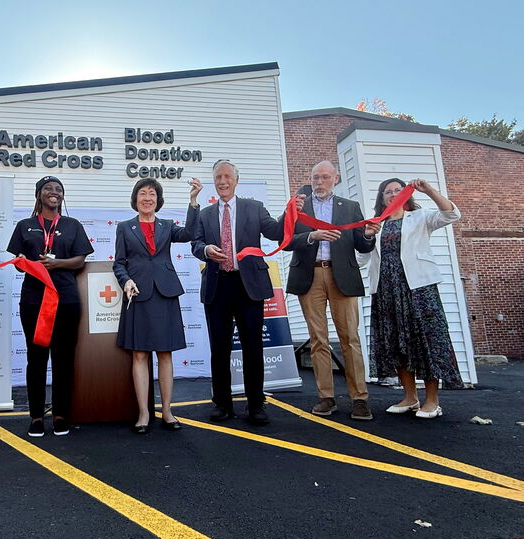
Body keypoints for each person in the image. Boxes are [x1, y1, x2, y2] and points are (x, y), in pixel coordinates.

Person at [192, 160, 302, 425]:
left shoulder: (254, 208)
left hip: (248, 286)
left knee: (253, 348)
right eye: (218, 177)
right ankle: (222, 404)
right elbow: (196, 244)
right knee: (219, 349)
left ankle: (255, 405)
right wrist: (206, 250)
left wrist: (291, 212)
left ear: (236, 180)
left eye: (227, 176)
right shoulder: (205, 214)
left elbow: (276, 231)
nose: (222, 181)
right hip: (218, 286)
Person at [285, 160, 378, 420]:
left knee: (350, 338)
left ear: (335, 179)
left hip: (342, 276)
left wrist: (368, 235)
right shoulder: (299, 206)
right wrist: (311, 236)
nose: (319, 182)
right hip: (310, 275)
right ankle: (326, 397)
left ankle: (359, 398)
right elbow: (286, 241)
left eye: (325, 177)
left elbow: (362, 245)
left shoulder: (350, 207)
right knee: (318, 339)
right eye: (316, 177)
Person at [365, 178, 462, 418]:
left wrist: (429, 190)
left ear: (406, 195)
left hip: (419, 289)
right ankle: (410, 397)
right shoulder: (376, 224)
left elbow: (452, 215)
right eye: (387, 191)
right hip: (387, 291)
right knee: (397, 342)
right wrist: (366, 237)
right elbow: (360, 259)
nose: (392, 194)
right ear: (382, 198)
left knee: (425, 341)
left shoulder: (420, 217)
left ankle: (432, 401)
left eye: (398, 190)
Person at [113, 177, 202, 433]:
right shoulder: (125, 227)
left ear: (158, 200)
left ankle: (168, 411)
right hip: (138, 294)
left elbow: (189, 234)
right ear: (135, 199)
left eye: (152, 194)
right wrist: (126, 280)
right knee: (140, 354)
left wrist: (193, 201)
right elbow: (119, 263)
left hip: (165, 293)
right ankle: (143, 413)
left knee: (165, 354)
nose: (147, 198)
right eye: (143, 193)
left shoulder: (167, 226)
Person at [7, 176, 93, 437]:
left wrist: (57, 264)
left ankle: (60, 415)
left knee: (63, 359)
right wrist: (24, 262)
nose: (54, 192)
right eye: (48, 189)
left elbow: (80, 260)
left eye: (58, 189)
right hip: (34, 300)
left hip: (66, 299)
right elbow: (18, 261)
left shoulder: (72, 225)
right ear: (39, 194)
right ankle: (35, 416)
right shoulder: (25, 226)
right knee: (36, 358)